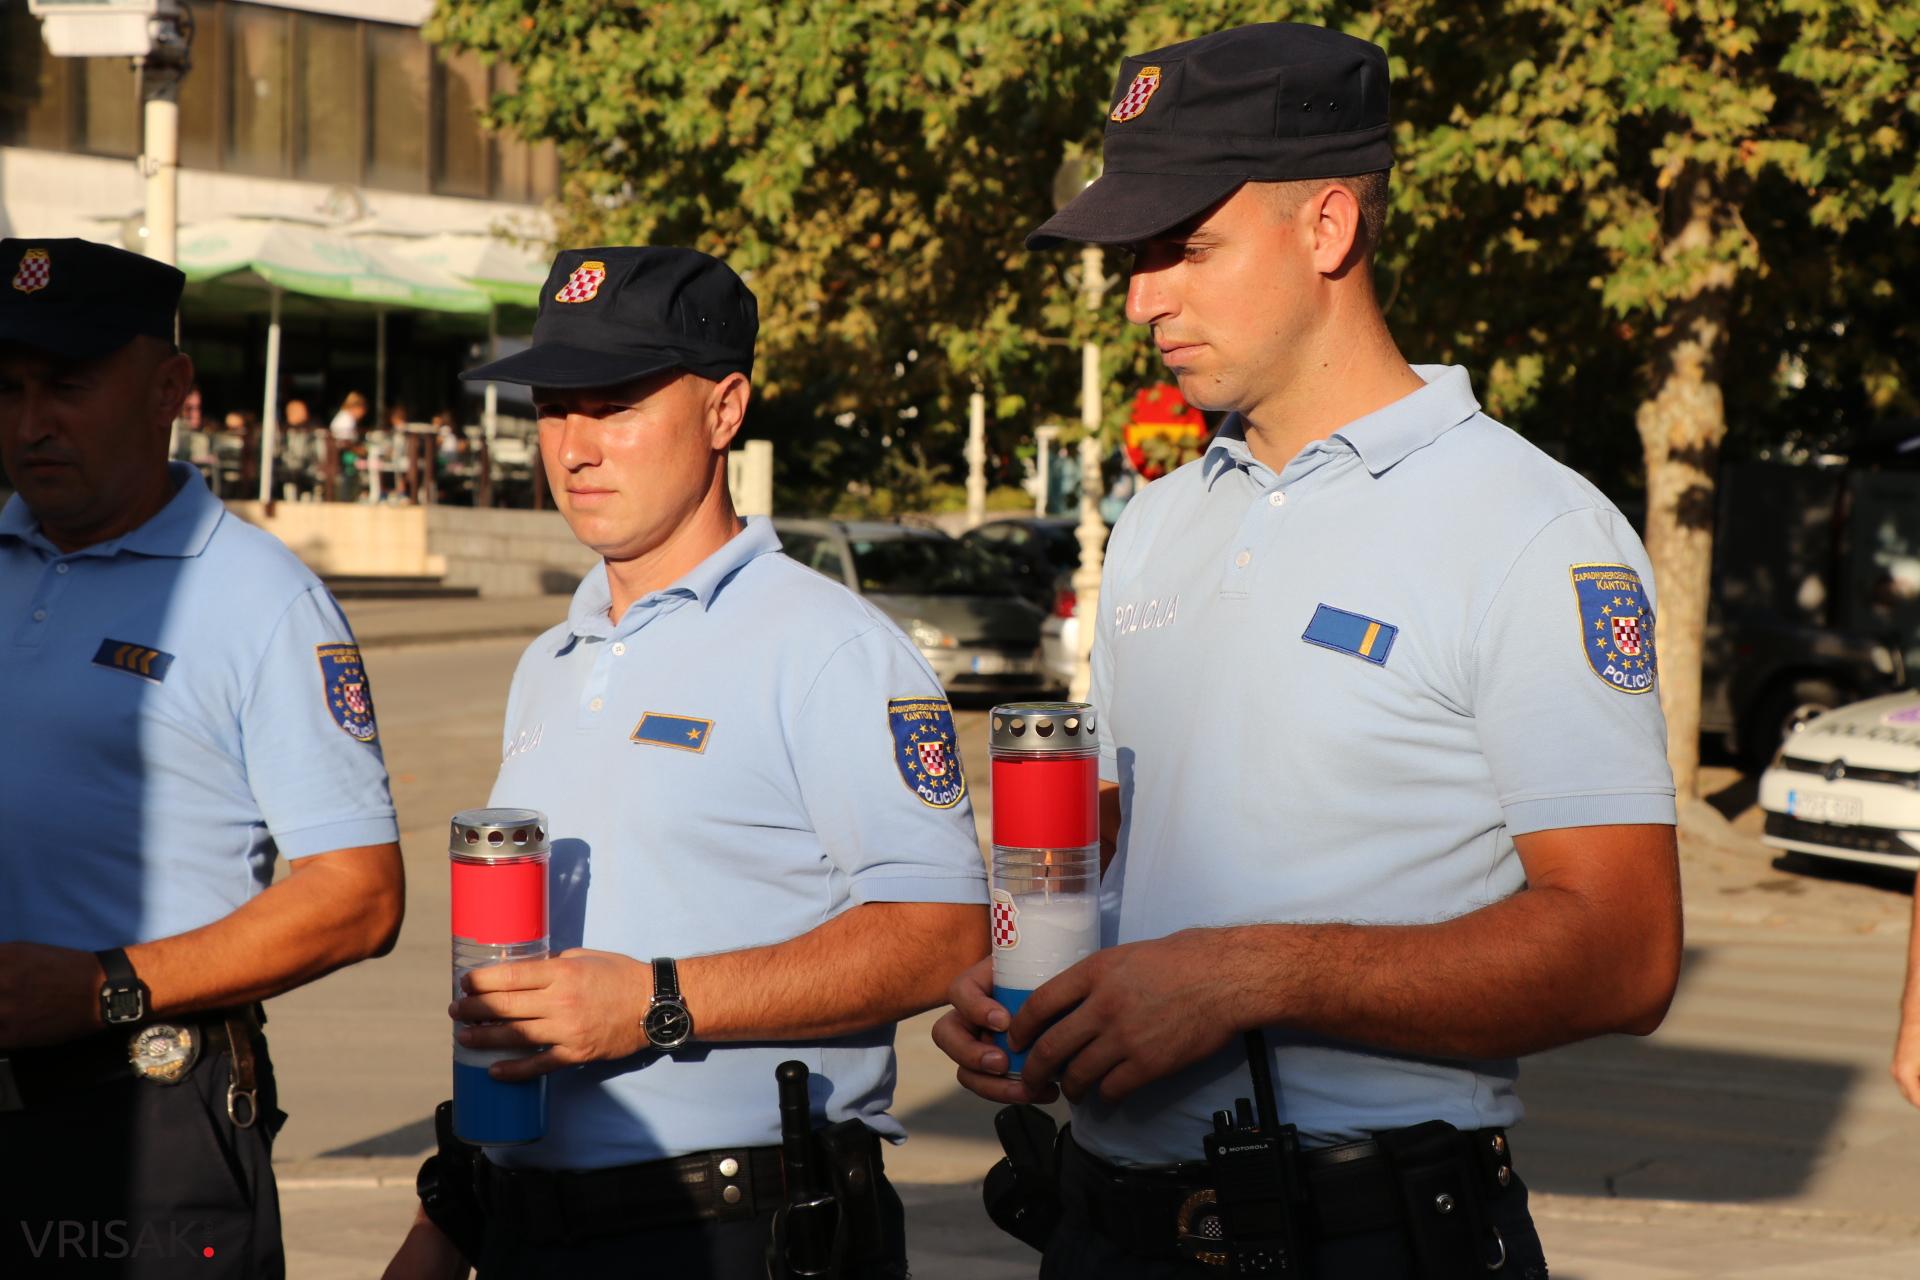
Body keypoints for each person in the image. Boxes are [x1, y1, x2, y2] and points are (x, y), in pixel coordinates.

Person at [932, 24, 1681, 1280]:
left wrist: (1246, 974)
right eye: (1135, 257)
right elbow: (1124, 853)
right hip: (1106, 1223)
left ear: (1328, 227)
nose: (1143, 295)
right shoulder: (1161, 520)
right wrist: (1041, 990)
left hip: (1373, 1232)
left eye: (1188, 246)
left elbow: (1625, 951)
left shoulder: (1531, 525)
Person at [381, 246, 989, 1280]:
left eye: (615, 403)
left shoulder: (826, 644)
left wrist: (660, 997)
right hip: (529, 1218)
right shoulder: (550, 659)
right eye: (554, 407)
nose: (575, 446)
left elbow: (943, 934)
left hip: (742, 1228)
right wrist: (448, 1221)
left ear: (724, 410)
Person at [0, 239, 407, 1277]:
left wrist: (108, 986)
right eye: (7, 388)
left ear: (170, 388)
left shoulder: (260, 600)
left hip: (139, 1110)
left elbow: (358, 894)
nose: (30, 422)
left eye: (69, 385)